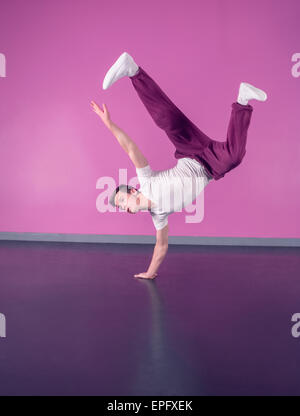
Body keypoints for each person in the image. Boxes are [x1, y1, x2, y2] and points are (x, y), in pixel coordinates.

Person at [90, 52, 267, 280]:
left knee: (166, 118)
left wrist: (109, 124)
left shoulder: (146, 182)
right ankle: (243, 101)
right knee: (234, 156)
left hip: (189, 151)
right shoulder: (159, 215)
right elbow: (161, 247)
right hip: (209, 167)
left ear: (132, 191)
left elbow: (131, 149)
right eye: (120, 207)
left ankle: (132, 70)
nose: (123, 207)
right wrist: (150, 273)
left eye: (122, 200)